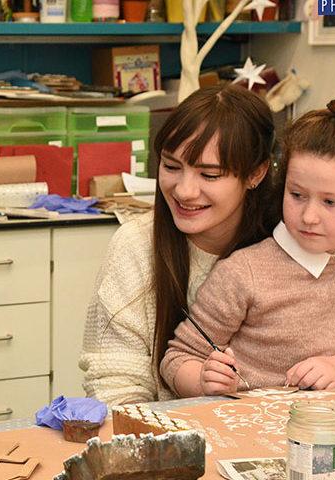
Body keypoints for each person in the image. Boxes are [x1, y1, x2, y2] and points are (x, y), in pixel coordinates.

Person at [161, 96, 335, 397]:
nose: (309, 216)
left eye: (330, 202)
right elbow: (177, 359)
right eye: (297, 195)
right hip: (258, 429)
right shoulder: (243, 271)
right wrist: (202, 380)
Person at [79, 84, 280, 406]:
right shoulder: (136, 245)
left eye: (209, 175)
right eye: (171, 167)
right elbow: (116, 383)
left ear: (256, 174)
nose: (184, 191)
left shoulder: (288, 245)